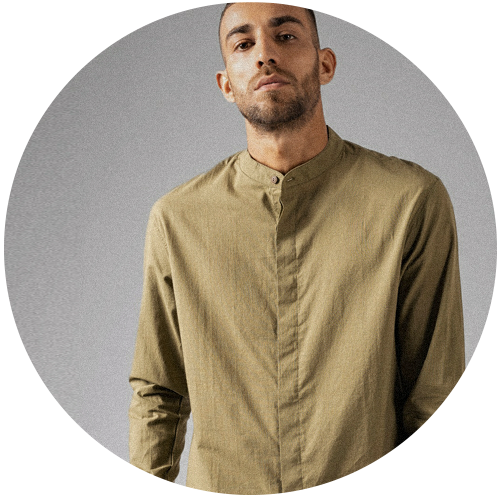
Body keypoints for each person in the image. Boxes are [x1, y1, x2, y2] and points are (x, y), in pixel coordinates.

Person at [128, 2, 467, 495]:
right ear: (226, 84)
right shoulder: (177, 220)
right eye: (243, 44)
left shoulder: (409, 201)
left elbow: (437, 401)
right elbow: (158, 392)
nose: (264, 54)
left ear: (325, 64)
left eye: (285, 36)